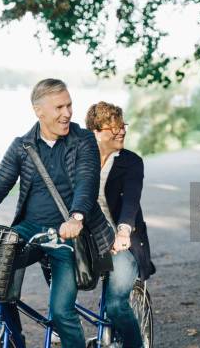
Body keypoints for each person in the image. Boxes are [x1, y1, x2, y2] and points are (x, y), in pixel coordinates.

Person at [0, 78, 114, 348]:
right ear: (39, 111)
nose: (68, 113)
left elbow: (87, 182)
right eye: (59, 107)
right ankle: (11, 339)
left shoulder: (83, 140)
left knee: (61, 312)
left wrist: (76, 218)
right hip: (29, 229)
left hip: (67, 236)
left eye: (69, 105)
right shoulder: (22, 146)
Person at [85, 101, 155, 348]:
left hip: (123, 243)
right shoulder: (83, 161)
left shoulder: (131, 162)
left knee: (116, 305)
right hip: (88, 242)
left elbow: (131, 201)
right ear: (96, 131)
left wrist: (124, 231)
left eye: (122, 126)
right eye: (113, 128)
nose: (121, 131)